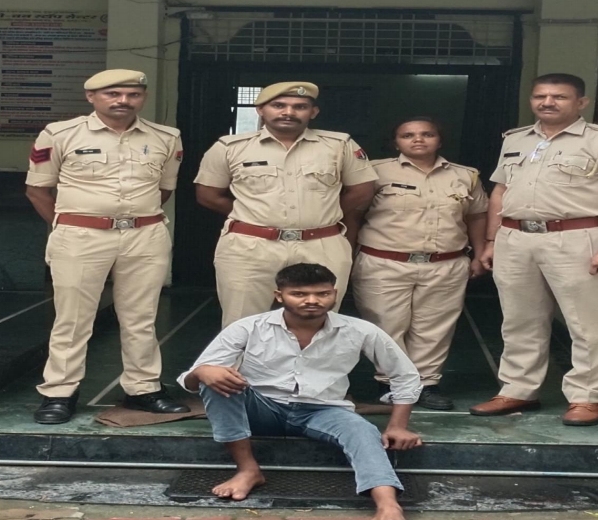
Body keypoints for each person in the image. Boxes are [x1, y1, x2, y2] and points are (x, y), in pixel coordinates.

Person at [178, 263, 422, 520]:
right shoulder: (249, 327)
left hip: (324, 411)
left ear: (335, 294)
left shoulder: (360, 330)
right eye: (299, 294)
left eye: (322, 293)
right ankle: (248, 470)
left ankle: (388, 504)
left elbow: (405, 375)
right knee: (215, 378)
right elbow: (191, 380)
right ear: (279, 295)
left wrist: (398, 426)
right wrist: (202, 372)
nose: (312, 301)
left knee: (363, 431)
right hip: (262, 408)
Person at [469, 73, 598, 426]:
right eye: (540, 96)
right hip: (515, 238)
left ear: (581, 102)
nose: (547, 102)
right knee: (519, 319)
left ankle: (587, 396)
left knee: (586, 322)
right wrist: (491, 241)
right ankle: (518, 389)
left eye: (559, 97)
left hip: (577, 237)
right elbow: (500, 191)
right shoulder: (516, 139)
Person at [26, 69, 190, 424]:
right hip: (80, 236)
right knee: (72, 318)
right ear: (91, 97)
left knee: (141, 317)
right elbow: (37, 190)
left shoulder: (166, 137)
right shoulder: (59, 134)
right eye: (112, 94)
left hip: (144, 235)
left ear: (143, 97)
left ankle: (143, 389)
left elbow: (164, 189)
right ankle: (59, 393)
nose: (123, 101)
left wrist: (128, 219)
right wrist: (71, 225)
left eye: (133, 94)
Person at [194, 82, 378, 328]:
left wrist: (321, 213)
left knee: (320, 321)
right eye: (279, 105)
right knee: (243, 323)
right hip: (251, 246)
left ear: (313, 112)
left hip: (321, 243)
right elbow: (208, 194)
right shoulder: (230, 147)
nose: (288, 112)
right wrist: (255, 215)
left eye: (299, 106)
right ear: (260, 110)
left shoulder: (339, 145)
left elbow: (362, 190)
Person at [352, 116, 488, 410]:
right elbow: (353, 213)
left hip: (445, 263)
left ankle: (426, 385)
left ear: (439, 140)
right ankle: (392, 385)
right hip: (384, 261)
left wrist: (479, 254)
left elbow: (477, 216)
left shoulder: (465, 176)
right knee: (386, 326)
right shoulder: (375, 172)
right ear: (395, 142)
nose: (418, 139)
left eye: (427, 134)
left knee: (434, 328)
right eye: (408, 135)